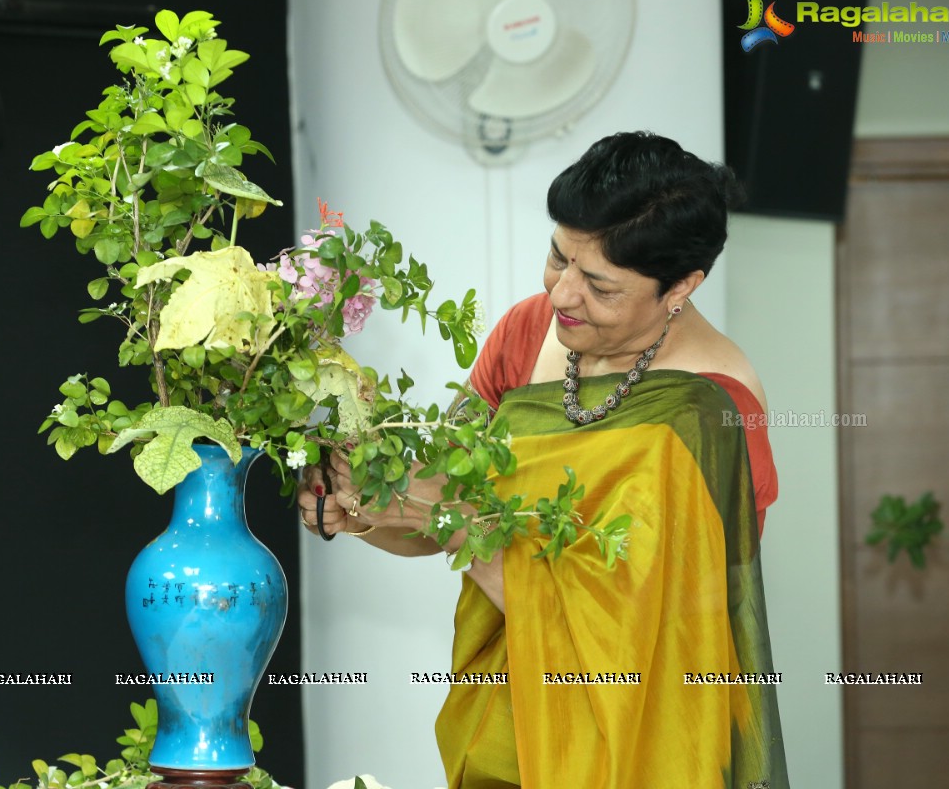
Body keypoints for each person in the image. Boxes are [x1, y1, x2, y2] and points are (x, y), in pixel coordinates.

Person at [297, 131, 788, 788]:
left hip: (642, 746)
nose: (561, 295)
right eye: (557, 258)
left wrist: (446, 515)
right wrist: (357, 507)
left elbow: (651, 635)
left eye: (601, 286)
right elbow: (440, 501)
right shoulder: (525, 335)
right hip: (510, 731)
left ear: (681, 286)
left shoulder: (711, 414)